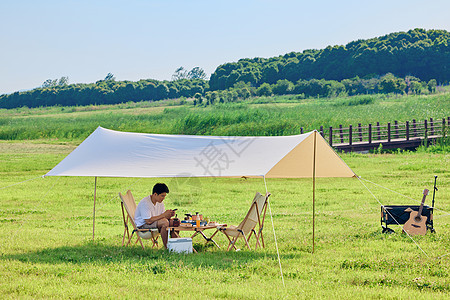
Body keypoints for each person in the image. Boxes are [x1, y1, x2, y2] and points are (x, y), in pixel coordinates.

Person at [134, 183, 176, 248]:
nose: (164, 198)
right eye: (162, 196)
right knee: (165, 222)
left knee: (175, 222)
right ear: (155, 194)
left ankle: (175, 246)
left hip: (155, 222)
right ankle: (167, 247)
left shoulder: (160, 202)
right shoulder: (145, 203)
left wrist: (169, 215)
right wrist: (164, 215)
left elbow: (162, 217)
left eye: (165, 196)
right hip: (143, 226)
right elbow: (148, 221)